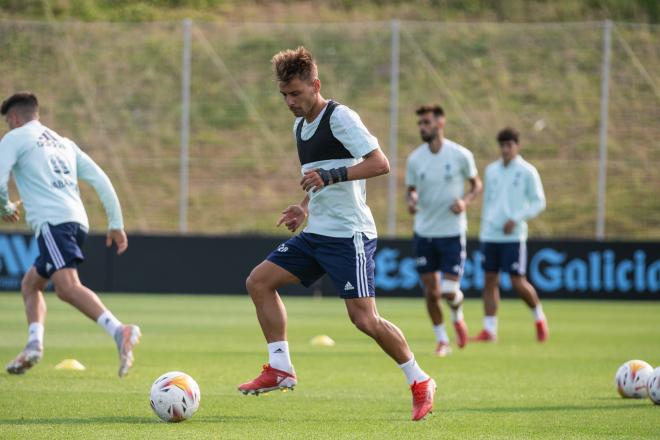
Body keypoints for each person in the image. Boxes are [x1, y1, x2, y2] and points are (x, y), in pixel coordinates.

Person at [237, 47, 436, 421]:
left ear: (316, 85)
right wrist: (305, 206)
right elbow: (320, 173)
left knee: (365, 320)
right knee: (259, 281)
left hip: (350, 235)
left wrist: (330, 177)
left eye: (296, 93)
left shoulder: (340, 117)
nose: (290, 102)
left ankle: (420, 380)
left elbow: (380, 163)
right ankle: (280, 368)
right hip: (317, 232)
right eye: (284, 95)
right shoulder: (299, 127)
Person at [0, 92, 140, 377]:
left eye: (7, 122)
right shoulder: (65, 143)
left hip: (53, 224)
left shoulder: (14, 138)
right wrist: (116, 223)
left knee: (66, 287)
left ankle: (119, 330)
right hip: (77, 222)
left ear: (13, 118)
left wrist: (4, 205)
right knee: (31, 284)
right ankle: (33, 346)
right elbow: (101, 180)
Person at [405, 104, 482, 357]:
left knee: (448, 291)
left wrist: (465, 201)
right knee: (431, 291)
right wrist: (412, 200)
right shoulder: (415, 159)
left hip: (451, 232)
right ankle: (442, 339)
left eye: (426, 122)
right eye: (420, 124)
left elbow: (475, 184)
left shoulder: (460, 155)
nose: (422, 127)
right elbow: (411, 189)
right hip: (424, 232)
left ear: (440, 123)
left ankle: (458, 315)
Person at [472, 127, 548, 342]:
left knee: (517, 281)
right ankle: (489, 330)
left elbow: (539, 202)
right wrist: (485, 227)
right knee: (489, 280)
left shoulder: (527, 171)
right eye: (502, 146)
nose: (505, 150)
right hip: (490, 235)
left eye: (509, 145)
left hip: (513, 236)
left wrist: (516, 218)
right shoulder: (492, 170)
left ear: (517, 146)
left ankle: (539, 318)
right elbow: (489, 203)